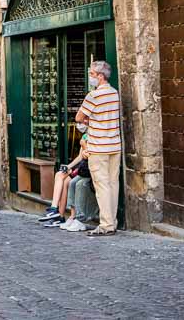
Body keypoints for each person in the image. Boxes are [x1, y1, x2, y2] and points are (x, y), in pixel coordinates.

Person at [75, 60, 121, 237]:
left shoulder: (93, 96)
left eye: (92, 74)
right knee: (112, 184)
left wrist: (89, 120)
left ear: (100, 76)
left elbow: (79, 117)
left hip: (98, 147)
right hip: (114, 146)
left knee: (102, 186)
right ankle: (113, 221)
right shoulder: (114, 93)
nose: (90, 77)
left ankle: (106, 224)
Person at [38, 135, 90, 229]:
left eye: (81, 122)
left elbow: (90, 155)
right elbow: (79, 157)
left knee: (64, 179)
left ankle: (56, 212)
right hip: (80, 166)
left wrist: (84, 145)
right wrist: (69, 166)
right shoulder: (85, 136)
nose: (80, 125)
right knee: (61, 176)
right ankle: (58, 214)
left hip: (86, 168)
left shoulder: (94, 134)